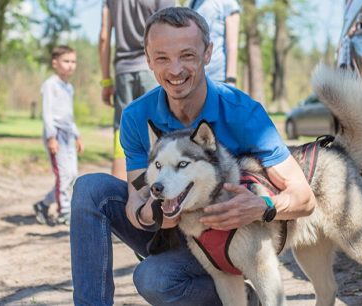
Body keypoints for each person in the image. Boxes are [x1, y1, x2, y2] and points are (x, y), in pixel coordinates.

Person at [70, 7, 316, 305]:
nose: (175, 70)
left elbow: (305, 198)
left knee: (153, 279)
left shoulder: (243, 113)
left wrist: (261, 206)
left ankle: (241, 297)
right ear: (147, 59)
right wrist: (153, 214)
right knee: (90, 189)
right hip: (175, 233)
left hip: (235, 238)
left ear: (208, 53)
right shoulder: (136, 117)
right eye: (162, 57)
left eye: (187, 55)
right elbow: (138, 197)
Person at [99, 0, 174, 181]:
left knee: (122, 133)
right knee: (160, 135)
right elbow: (171, 31)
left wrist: (106, 80)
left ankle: (120, 197)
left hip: (123, 72)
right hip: (154, 69)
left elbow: (104, 37)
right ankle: (158, 201)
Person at [34, 45, 84, 226]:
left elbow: (69, 115)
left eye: (73, 62)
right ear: (55, 63)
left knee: (72, 175)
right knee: (63, 175)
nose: (70, 65)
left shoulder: (68, 87)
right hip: (56, 135)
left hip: (69, 135)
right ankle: (64, 211)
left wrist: (77, 135)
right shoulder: (50, 85)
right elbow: (47, 113)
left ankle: (44, 204)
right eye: (66, 61)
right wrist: (51, 137)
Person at [189, 0, 240, 86]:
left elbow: (232, 46)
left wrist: (231, 81)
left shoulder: (229, 3)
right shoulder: (193, 3)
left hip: (218, 79)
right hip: (195, 78)